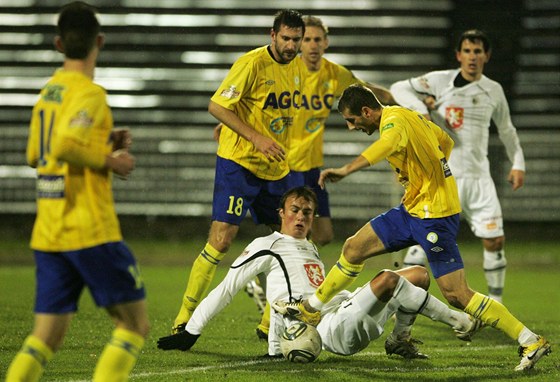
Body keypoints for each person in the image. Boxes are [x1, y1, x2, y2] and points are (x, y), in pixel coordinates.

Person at [273, 84, 550, 371]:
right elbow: (445, 142)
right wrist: (423, 176)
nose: (352, 127)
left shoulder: (393, 123)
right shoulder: (411, 116)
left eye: (353, 120)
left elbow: (386, 146)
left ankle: (529, 340)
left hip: (434, 217)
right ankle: (311, 309)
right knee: (354, 247)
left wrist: (346, 170)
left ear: (367, 111)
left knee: (456, 294)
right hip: (413, 209)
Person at [157, 186, 482, 358]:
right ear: (281, 213)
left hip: (343, 306)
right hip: (325, 328)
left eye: (307, 212)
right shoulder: (265, 244)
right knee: (388, 279)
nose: (301, 217)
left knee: (419, 276)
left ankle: (399, 341)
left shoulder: (310, 247)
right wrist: (192, 331)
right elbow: (227, 288)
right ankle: (461, 320)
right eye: (295, 211)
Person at [5, 2, 149, 381]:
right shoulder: (90, 94)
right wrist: (111, 160)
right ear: (99, 41)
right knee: (133, 325)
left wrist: (102, 141)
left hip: (50, 232)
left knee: (45, 336)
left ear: (58, 44)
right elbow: (67, 145)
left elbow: (36, 154)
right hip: (89, 229)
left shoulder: (48, 94)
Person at [248, 14, 398, 343]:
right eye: (306, 40)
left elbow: (368, 92)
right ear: (297, 42)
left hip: (313, 167)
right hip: (285, 165)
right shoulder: (286, 71)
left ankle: (268, 287)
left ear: (326, 43)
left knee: (325, 234)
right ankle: (269, 318)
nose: (312, 46)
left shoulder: (335, 74)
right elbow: (260, 102)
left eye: (318, 40)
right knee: (290, 240)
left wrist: (400, 99)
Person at [165, 9, 307, 338]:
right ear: (272, 36)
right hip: (239, 164)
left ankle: (271, 321)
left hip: (275, 169)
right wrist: (254, 136)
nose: (290, 45)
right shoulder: (252, 63)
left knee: (292, 239)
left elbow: (256, 107)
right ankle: (184, 317)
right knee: (222, 240)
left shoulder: (296, 68)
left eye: (295, 40)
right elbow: (217, 105)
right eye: (285, 38)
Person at [390, 29, 525, 303]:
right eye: (467, 51)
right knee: (423, 242)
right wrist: (422, 110)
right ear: (458, 55)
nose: (472, 57)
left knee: (494, 240)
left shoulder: (493, 90)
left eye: (477, 51)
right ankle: (399, 297)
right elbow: (398, 88)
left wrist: (518, 162)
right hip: (442, 176)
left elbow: (507, 130)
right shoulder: (440, 82)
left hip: (478, 177)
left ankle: (495, 303)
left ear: (486, 55)